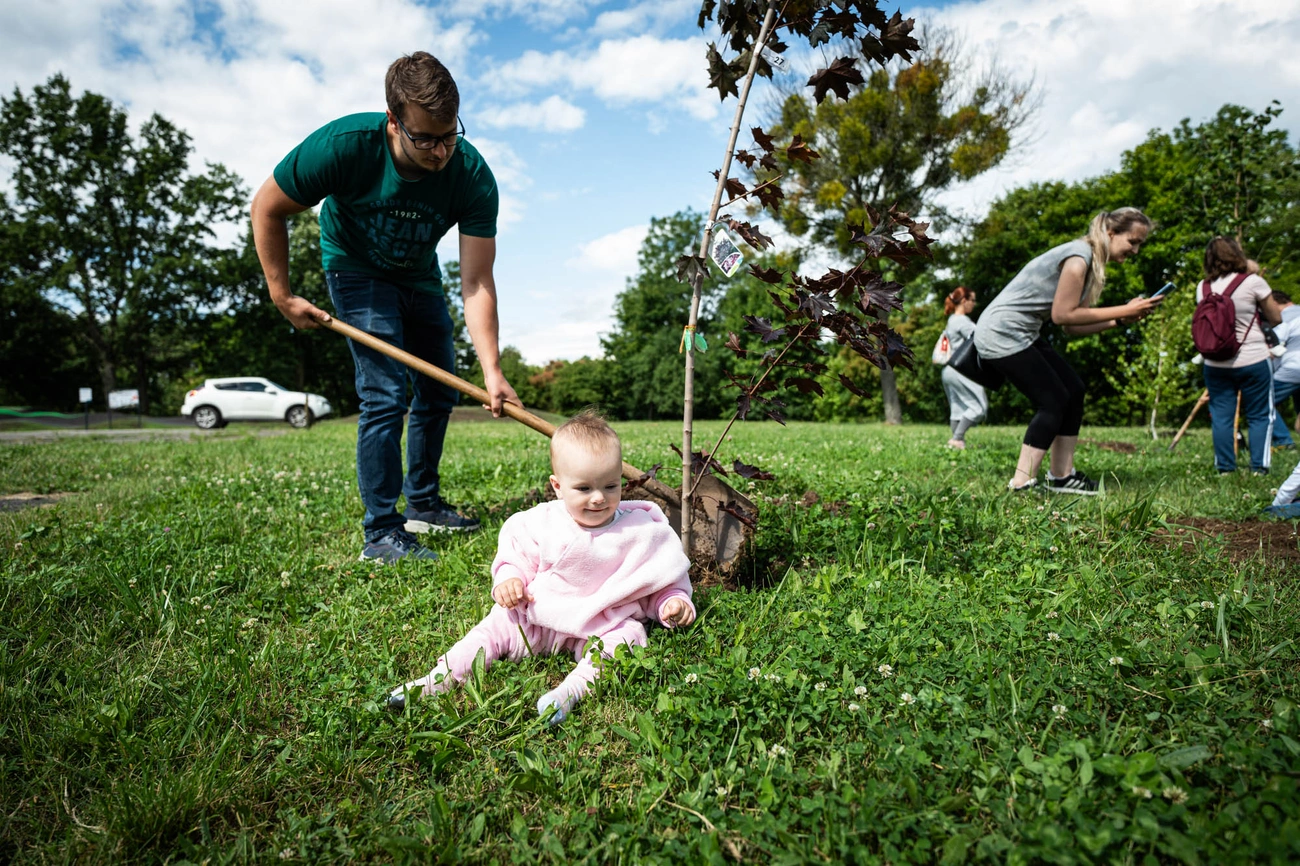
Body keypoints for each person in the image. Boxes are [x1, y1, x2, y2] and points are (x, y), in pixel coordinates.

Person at [251, 52, 519, 563]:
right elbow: (268, 206)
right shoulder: (344, 146)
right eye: (426, 138)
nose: (441, 151)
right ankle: (382, 532)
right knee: (385, 392)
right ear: (393, 121)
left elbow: (477, 279)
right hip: (355, 270)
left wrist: (493, 370)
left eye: (450, 135)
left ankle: (423, 504)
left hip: (417, 274)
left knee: (440, 389)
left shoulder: (471, 175)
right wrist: (281, 294)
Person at [387, 410, 696, 724]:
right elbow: (515, 556)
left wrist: (671, 602)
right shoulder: (542, 523)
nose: (599, 498)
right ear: (558, 486)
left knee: (628, 638)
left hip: (601, 622)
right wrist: (509, 578)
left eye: (611, 486)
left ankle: (571, 692)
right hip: (536, 617)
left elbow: (659, 575)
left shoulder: (639, 531)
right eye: (584, 489)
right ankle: (440, 678)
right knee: (491, 629)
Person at [973, 208, 1162, 493]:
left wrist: (1120, 320)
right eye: (1132, 241)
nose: (1135, 250)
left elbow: (1073, 326)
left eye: (1139, 244)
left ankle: (1061, 476)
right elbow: (1063, 315)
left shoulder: (1088, 261)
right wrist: (1126, 307)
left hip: (1021, 332)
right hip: (1002, 332)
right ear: (1111, 234)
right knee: (1053, 399)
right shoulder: (1078, 258)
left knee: (1073, 389)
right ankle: (1022, 483)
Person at [1198, 237, 1283, 475]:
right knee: (1259, 415)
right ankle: (1259, 467)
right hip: (1253, 358)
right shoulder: (1253, 282)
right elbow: (1276, 317)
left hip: (1215, 362)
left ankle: (1225, 468)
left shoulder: (1203, 287)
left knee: (1221, 415)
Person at [940, 287, 988, 450]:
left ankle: (956, 445)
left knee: (957, 408)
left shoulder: (951, 320)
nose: (974, 304)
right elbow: (979, 340)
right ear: (964, 301)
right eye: (973, 300)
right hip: (962, 369)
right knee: (979, 408)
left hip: (949, 370)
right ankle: (956, 438)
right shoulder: (962, 321)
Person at [1268, 290, 1300, 448]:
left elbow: (1274, 349)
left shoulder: (1284, 320)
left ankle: (1283, 441)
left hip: (1294, 368)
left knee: (1263, 401)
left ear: (1274, 303)